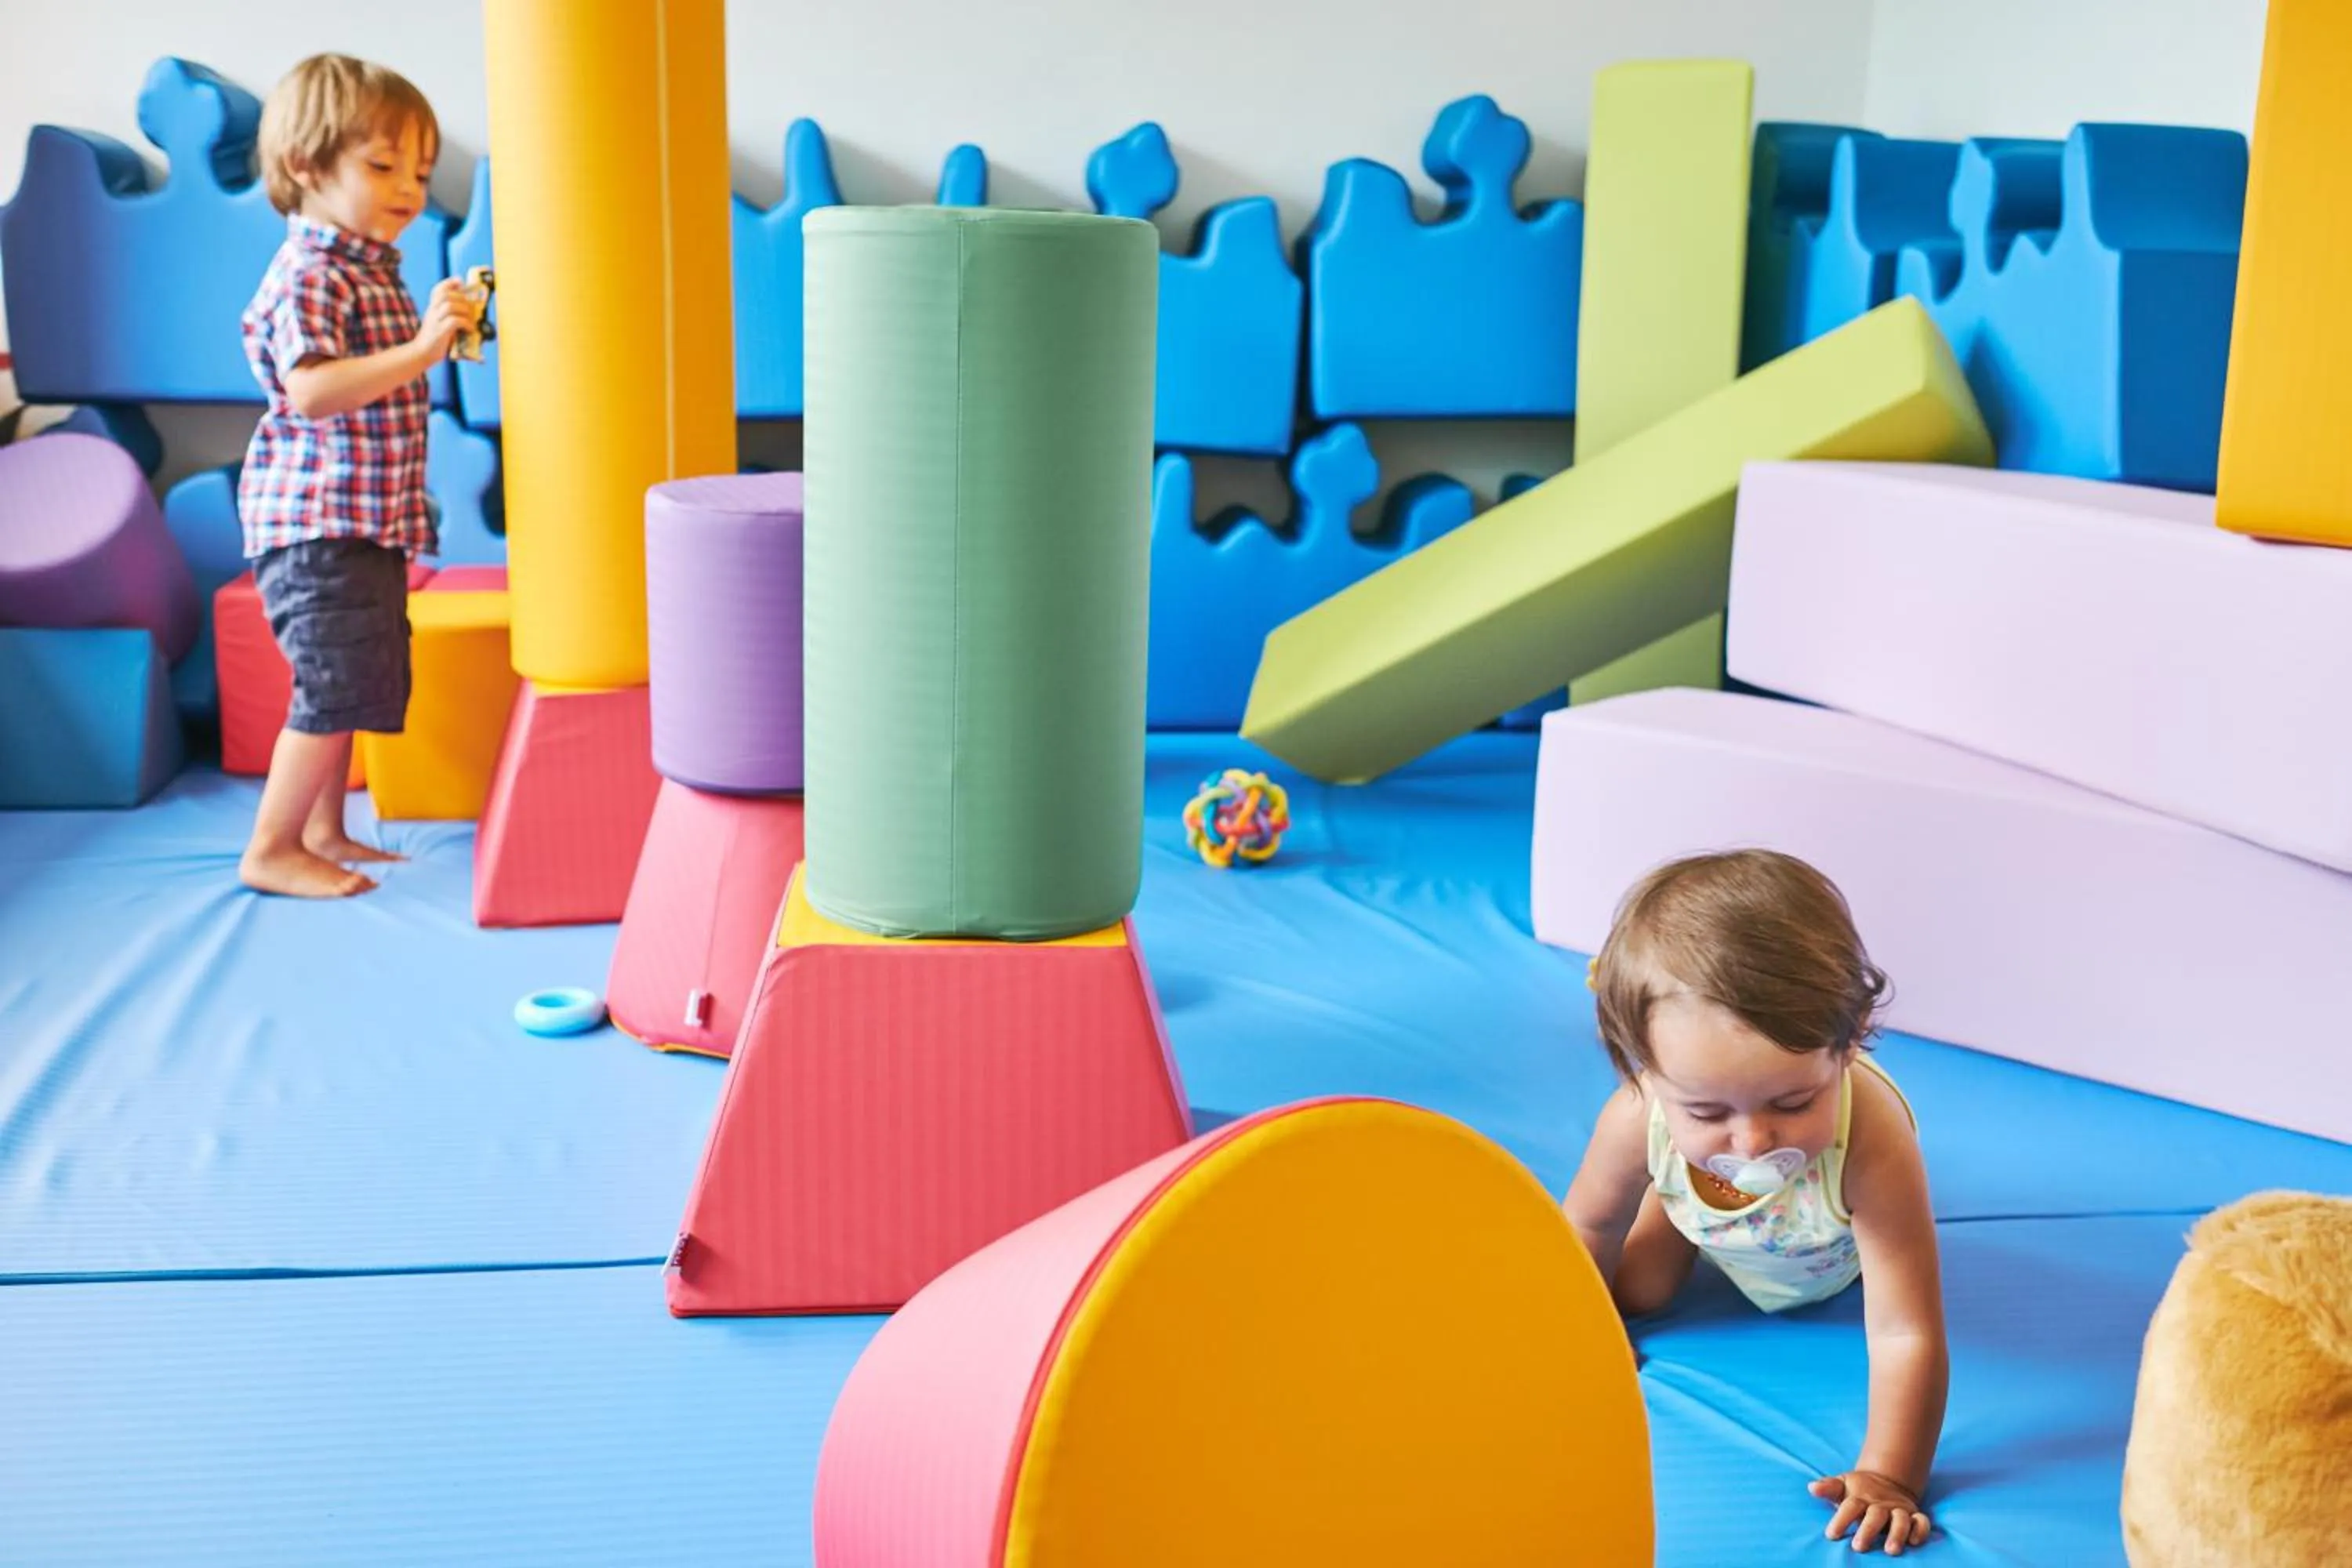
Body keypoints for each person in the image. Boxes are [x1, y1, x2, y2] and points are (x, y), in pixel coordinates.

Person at [1562, 849, 1947, 1557]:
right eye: (1706, 1112)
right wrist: (1579, 1330)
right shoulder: (1637, 1117)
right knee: (1636, 1293)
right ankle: (1678, 1209)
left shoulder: (1872, 1141)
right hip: (1700, 1219)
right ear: (1645, 1070)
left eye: (1793, 1102)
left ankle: (1691, 1201)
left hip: (1825, 1252)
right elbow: (1589, 1223)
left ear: (1847, 1046)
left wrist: (1892, 1476)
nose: (1753, 1141)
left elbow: (1905, 1329)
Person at [234, 53, 477, 896]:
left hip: (365, 522)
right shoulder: (310, 273)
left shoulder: (370, 269)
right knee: (332, 683)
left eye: (420, 172)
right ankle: (271, 847)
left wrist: (437, 331)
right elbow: (312, 390)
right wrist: (422, 349)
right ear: (306, 166)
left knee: (357, 683)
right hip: (317, 524)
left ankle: (323, 830)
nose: (408, 189)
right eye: (382, 166)